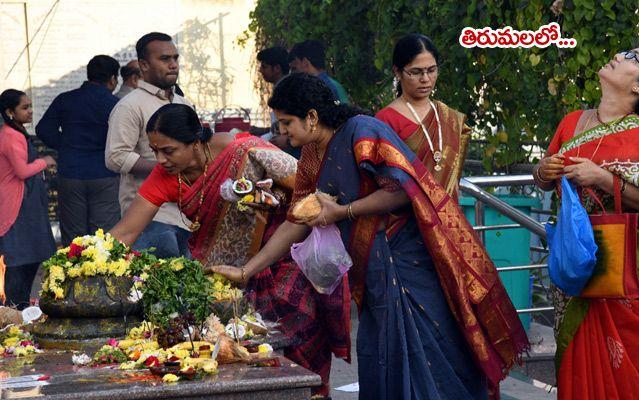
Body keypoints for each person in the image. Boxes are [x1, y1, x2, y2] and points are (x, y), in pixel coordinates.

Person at [208, 73, 528, 399]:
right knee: (381, 356)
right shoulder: (310, 156)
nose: (283, 131)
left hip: (406, 261)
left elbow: (403, 191)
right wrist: (247, 271)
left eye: (287, 122)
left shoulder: (362, 131)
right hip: (372, 269)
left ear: (313, 117)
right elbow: (296, 220)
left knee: (427, 355)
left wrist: (343, 212)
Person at [109, 103, 341, 398]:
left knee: (302, 347)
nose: (160, 159)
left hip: (285, 261)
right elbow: (126, 231)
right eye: (155, 151)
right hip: (229, 277)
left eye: (168, 150)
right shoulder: (167, 174)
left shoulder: (244, 150)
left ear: (195, 142)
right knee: (246, 354)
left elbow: (313, 190)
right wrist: (83, 257)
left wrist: (268, 199)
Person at [534, 48, 639, 400]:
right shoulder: (572, 122)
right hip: (575, 264)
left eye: (631, 57)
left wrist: (603, 178)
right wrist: (543, 170)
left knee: (630, 368)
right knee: (580, 365)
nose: (618, 55)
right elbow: (542, 177)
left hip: (623, 274)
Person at [105, 32, 191, 258]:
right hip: (150, 217)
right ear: (143, 65)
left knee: (190, 289)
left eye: (175, 58)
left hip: (187, 214)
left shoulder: (183, 103)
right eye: (164, 59)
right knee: (158, 289)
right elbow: (115, 157)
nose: (173, 65)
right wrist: (164, 170)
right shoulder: (130, 106)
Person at [36, 55, 121, 246]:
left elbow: (43, 129)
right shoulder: (115, 104)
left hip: (70, 174)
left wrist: (66, 146)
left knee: (74, 237)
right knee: (104, 236)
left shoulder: (65, 99)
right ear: (113, 78)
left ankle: (74, 275)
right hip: (104, 174)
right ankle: (102, 276)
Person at [376, 33, 471, 195]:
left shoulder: (449, 118)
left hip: (448, 216)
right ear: (398, 72)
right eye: (416, 72)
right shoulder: (386, 120)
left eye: (431, 70)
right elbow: (386, 183)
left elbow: (452, 180)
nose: (426, 78)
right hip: (407, 216)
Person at [0, 89, 57, 309]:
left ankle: (21, 307)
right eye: (25, 107)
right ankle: (15, 309)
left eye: (30, 106)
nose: (30, 111)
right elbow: (22, 171)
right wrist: (46, 161)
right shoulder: (10, 136)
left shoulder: (16, 132)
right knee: (19, 259)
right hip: (17, 205)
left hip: (28, 203)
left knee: (32, 256)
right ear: (9, 112)